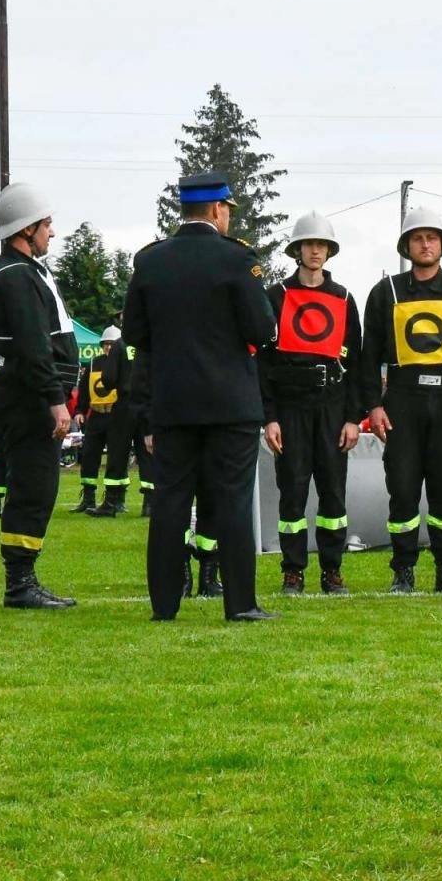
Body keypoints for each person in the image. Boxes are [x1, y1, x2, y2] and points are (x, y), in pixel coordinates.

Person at [123, 171, 280, 622]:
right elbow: (263, 330)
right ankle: (241, 603)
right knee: (231, 500)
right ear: (217, 209)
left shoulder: (151, 262)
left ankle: (165, 604)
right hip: (230, 402)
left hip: (172, 403)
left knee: (171, 501)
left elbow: (135, 332)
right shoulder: (236, 260)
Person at [358, 207, 442, 594]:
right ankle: (403, 571)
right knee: (402, 488)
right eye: (418, 238)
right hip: (401, 399)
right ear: (407, 245)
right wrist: (374, 406)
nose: (425, 243)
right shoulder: (386, 293)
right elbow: (369, 358)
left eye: (432, 237)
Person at [0, 182, 82, 609]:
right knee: (33, 486)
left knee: (36, 484)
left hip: (30, 394)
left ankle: (22, 579)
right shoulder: (18, 277)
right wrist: (54, 398)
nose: (52, 233)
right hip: (29, 397)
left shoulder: (27, 272)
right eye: (46, 225)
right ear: (26, 229)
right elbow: (33, 345)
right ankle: (19, 583)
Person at [261, 210, 362, 596]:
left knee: (334, 491)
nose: (316, 251)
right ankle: (293, 571)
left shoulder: (344, 298)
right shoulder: (276, 297)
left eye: (322, 245)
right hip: (289, 407)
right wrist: (270, 417)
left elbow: (358, 364)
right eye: (309, 245)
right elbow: (263, 364)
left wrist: (353, 417)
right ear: (297, 250)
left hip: (333, 407)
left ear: (329, 251)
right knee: (293, 491)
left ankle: (332, 570)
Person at [92, 322, 152, 517]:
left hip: (125, 404)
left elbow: (108, 378)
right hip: (149, 405)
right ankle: (150, 504)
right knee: (149, 453)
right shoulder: (152, 343)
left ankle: (112, 502)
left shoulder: (120, 344)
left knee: (118, 452)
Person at [70, 328, 119, 515]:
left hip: (115, 416)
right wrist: (80, 411)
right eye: (105, 344)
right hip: (96, 416)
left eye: (111, 344)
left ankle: (115, 499)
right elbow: (83, 390)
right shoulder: (93, 364)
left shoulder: (123, 364)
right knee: (89, 456)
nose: (108, 347)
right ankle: (88, 499)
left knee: (115, 459)